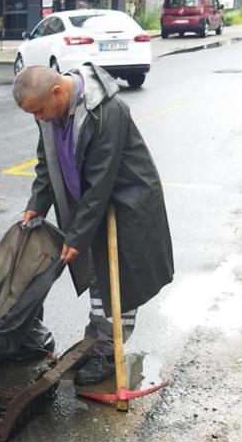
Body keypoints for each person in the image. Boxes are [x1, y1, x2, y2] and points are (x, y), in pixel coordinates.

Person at [12, 63, 173, 385]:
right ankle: (96, 337)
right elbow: (47, 162)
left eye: (40, 110)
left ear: (58, 91)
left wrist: (77, 236)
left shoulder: (107, 111)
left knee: (122, 281)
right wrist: (36, 204)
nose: (38, 118)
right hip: (92, 206)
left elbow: (101, 180)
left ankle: (109, 350)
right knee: (98, 276)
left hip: (126, 204)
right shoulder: (51, 113)